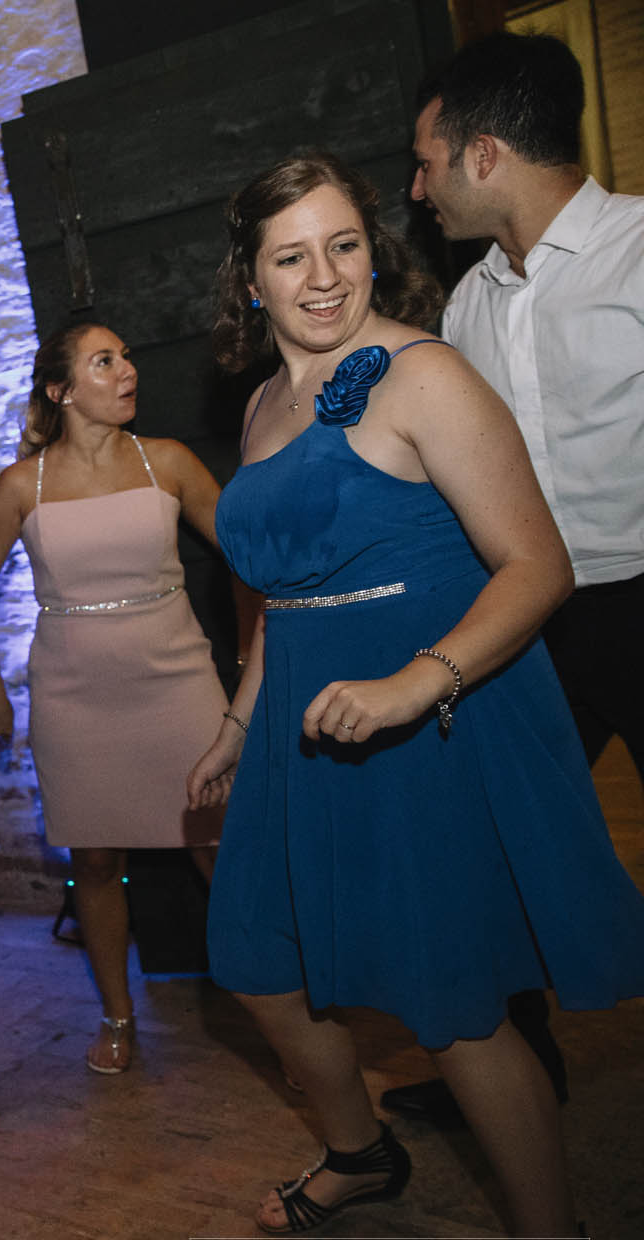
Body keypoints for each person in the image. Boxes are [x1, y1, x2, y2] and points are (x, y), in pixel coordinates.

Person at [187, 151, 644, 1240]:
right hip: (300, 723)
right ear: (247, 279)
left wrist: (409, 684)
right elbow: (272, 591)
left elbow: (536, 566)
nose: (323, 275)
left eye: (342, 243)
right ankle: (359, 1150)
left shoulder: (421, 373)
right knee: (256, 959)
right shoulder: (260, 404)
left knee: (453, 1005)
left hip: (425, 720)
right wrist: (238, 723)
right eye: (289, 255)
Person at [385, 29, 644, 1132]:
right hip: (524, 617)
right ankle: (510, 1070)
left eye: (426, 159)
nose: (416, 186)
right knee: (480, 845)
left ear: (481, 153)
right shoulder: (465, 308)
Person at [0, 319, 230, 1075]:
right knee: (96, 859)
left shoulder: (169, 462)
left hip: (178, 683)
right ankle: (117, 1014)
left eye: (129, 354)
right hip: (75, 699)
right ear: (62, 388)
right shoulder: (24, 484)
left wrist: (256, 647)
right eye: (105, 360)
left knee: (217, 843)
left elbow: (252, 551)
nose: (127, 370)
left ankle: (276, 993)